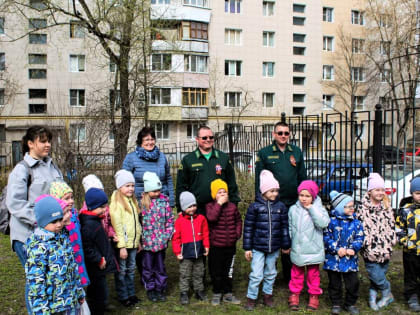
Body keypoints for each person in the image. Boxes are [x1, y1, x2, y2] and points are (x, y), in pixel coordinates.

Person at [6, 126, 63, 313]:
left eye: (49, 141)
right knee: (36, 281)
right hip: (26, 237)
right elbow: (15, 203)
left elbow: (60, 195)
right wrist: (42, 220)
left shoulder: (52, 166)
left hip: (49, 235)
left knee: (49, 278)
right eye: (43, 141)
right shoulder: (22, 170)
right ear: (30, 144)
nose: (48, 145)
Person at [255, 121, 307, 283]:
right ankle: (267, 273)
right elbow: (259, 181)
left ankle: (289, 275)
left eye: (286, 133)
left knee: (289, 238)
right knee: (270, 236)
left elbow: (302, 177)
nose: (283, 136)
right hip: (273, 204)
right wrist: (260, 202)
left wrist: (304, 198)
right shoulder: (264, 153)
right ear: (274, 134)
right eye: (280, 133)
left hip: (292, 203)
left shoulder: (296, 152)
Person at [122, 126, 174, 277]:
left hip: (160, 204)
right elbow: (124, 180)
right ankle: (145, 273)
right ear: (140, 142)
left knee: (160, 237)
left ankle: (159, 269)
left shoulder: (162, 157)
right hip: (140, 205)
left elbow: (168, 178)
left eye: (152, 139)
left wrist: (170, 200)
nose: (150, 142)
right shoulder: (131, 158)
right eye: (146, 140)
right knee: (143, 239)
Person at [25, 195, 85, 315]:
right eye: (53, 222)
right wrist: (40, 310)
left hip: (70, 301)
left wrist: (79, 292)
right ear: (42, 222)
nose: (58, 224)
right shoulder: (38, 247)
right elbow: (36, 282)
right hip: (54, 307)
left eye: (59, 219)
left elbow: (73, 268)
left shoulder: (63, 238)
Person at [243, 170, 291, 311]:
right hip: (258, 247)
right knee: (256, 274)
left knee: (271, 272)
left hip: (274, 247)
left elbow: (284, 227)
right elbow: (248, 228)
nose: (275, 193)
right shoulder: (255, 207)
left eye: (276, 190)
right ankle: (251, 297)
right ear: (263, 191)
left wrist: (285, 244)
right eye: (271, 191)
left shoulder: (281, 207)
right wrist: (247, 248)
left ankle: (267, 295)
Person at [176, 125, 240, 215]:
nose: (208, 140)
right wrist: (180, 208)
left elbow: (232, 183)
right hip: (197, 211)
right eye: (204, 137)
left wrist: (234, 204)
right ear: (197, 139)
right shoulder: (188, 160)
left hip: (221, 209)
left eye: (211, 137)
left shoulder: (223, 158)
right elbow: (181, 186)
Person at [357, 172, 397, 310]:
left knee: (379, 275)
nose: (380, 192)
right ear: (369, 192)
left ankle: (372, 296)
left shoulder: (386, 207)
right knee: (375, 274)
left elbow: (391, 225)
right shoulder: (363, 209)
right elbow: (360, 227)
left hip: (385, 248)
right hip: (370, 250)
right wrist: (365, 244)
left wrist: (392, 240)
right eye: (377, 190)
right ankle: (387, 293)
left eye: (382, 190)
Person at [288, 180, 330, 311]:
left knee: (313, 274)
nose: (304, 199)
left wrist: (312, 209)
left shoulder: (319, 209)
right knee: (296, 273)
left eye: (307, 196)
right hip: (298, 248)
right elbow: (290, 227)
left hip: (313, 249)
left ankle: (314, 295)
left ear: (313, 196)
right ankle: (295, 293)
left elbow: (323, 223)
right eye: (301, 195)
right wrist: (291, 241)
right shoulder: (293, 209)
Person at [324, 191, 364, 315]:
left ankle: (350, 303)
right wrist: (336, 248)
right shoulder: (330, 222)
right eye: (349, 206)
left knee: (353, 283)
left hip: (350, 260)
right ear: (340, 208)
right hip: (333, 260)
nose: (352, 209)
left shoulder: (356, 223)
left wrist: (353, 248)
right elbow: (326, 237)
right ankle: (336, 303)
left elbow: (360, 237)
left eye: (353, 206)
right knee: (334, 283)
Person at [80, 188, 118, 315]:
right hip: (96, 266)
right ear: (92, 206)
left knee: (100, 288)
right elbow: (87, 247)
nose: (104, 209)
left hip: (100, 266)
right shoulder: (89, 225)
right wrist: (99, 259)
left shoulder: (95, 220)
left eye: (105, 206)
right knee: (98, 291)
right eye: (101, 207)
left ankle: (101, 306)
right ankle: (98, 309)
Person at [205, 179, 242, 306]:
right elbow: (212, 218)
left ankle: (228, 293)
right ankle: (217, 292)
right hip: (216, 246)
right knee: (216, 270)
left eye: (224, 192)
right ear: (214, 195)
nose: (222, 194)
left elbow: (238, 221)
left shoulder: (232, 207)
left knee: (228, 271)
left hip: (230, 246)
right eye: (219, 192)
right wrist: (219, 204)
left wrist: (237, 234)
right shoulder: (210, 206)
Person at [140, 171, 174, 302]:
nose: (156, 193)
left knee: (160, 267)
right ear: (148, 191)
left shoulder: (164, 202)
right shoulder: (142, 203)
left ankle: (160, 288)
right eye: (153, 191)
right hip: (147, 244)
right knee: (148, 268)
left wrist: (167, 235)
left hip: (160, 243)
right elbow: (139, 223)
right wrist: (141, 239)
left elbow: (170, 220)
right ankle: (150, 288)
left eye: (158, 190)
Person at [110, 170, 142, 307]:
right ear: (120, 187)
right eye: (127, 186)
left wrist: (138, 241)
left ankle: (131, 293)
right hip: (124, 245)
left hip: (133, 244)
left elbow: (136, 224)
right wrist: (122, 247)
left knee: (131, 269)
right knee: (122, 271)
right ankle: (123, 296)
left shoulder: (133, 202)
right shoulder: (116, 204)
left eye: (132, 186)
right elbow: (118, 227)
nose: (131, 189)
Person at [50, 181, 90, 287]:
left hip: (78, 252)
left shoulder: (74, 213)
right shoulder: (57, 220)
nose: (71, 201)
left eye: (72, 197)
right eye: (66, 198)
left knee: (80, 279)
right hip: (69, 255)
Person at [172, 191, 210, 305]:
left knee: (199, 272)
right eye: (189, 206)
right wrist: (177, 251)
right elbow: (176, 238)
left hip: (198, 252)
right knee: (185, 273)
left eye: (194, 205)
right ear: (184, 208)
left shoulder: (201, 219)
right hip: (186, 253)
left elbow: (205, 233)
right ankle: (184, 292)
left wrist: (206, 246)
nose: (192, 208)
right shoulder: (179, 221)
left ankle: (199, 290)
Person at [395, 176, 420, 312]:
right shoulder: (405, 211)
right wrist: (406, 243)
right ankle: (412, 296)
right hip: (410, 252)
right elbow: (399, 230)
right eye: (418, 193)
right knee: (411, 275)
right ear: (412, 194)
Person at [80, 174, 117, 242]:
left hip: (105, 238)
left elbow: (109, 223)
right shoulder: (85, 211)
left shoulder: (105, 207)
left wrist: (112, 234)